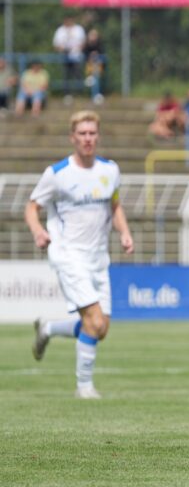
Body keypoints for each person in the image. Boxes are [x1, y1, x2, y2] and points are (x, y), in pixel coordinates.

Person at [25, 111, 134, 399]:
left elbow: (115, 206)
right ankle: (84, 388)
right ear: (72, 137)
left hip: (98, 258)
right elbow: (31, 207)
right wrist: (38, 231)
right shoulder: (58, 174)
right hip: (68, 255)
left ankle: (48, 328)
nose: (88, 139)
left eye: (92, 133)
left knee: (101, 328)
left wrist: (124, 232)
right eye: (82, 134)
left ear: (98, 136)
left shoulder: (110, 171)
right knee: (94, 321)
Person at [53, 16, 86, 98]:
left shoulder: (79, 29)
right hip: (65, 56)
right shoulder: (60, 30)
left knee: (77, 74)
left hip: (76, 56)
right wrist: (62, 49)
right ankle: (67, 93)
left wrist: (77, 49)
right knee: (66, 75)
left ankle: (79, 93)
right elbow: (56, 44)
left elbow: (83, 42)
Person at [83, 29, 104, 104]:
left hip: (97, 65)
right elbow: (85, 54)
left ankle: (96, 95)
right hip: (90, 65)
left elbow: (101, 53)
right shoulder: (87, 45)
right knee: (93, 79)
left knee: (96, 79)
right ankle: (94, 95)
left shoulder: (99, 44)